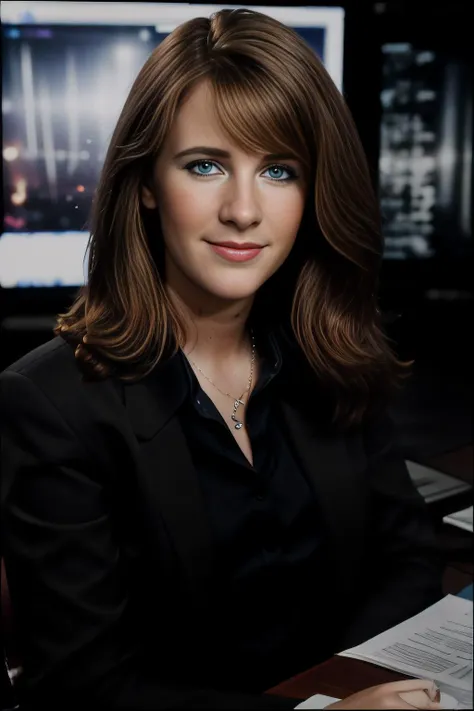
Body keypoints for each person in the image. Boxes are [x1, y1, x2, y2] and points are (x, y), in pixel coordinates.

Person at [0, 8, 443, 710]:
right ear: (145, 184)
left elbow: (409, 559)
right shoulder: (48, 403)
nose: (243, 209)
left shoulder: (329, 352)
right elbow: (84, 686)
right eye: (205, 165)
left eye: (278, 169)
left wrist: (350, 691)